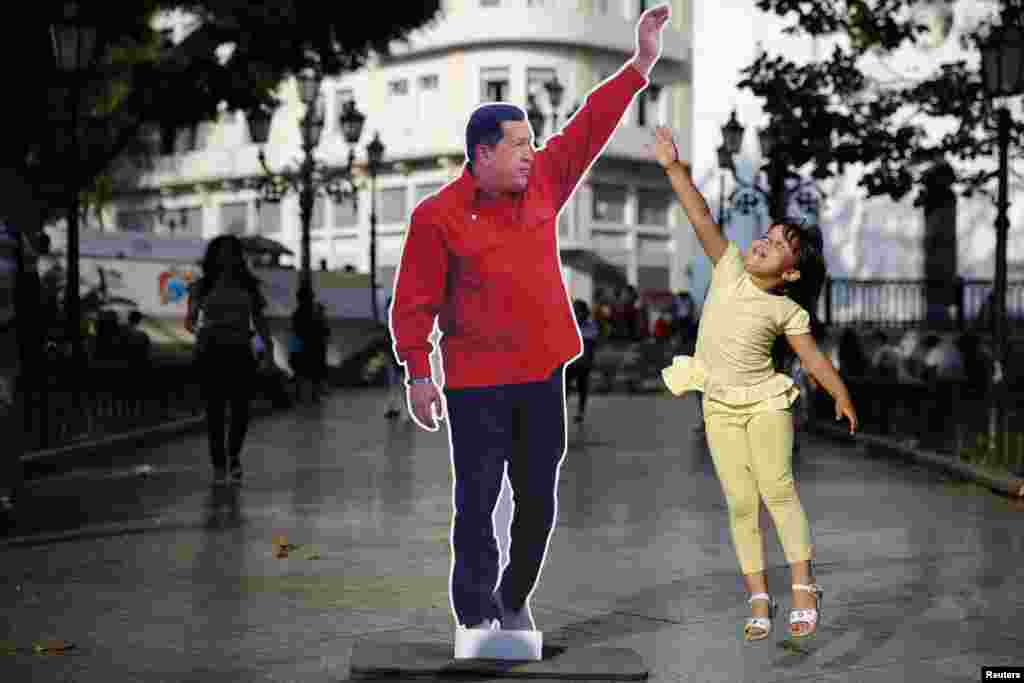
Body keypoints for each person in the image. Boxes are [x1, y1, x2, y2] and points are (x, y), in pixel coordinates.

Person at [389, 4, 671, 635]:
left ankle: (514, 595)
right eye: (518, 146)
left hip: (542, 372)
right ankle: (475, 614)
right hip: (475, 381)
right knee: (477, 499)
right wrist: (417, 372)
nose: (531, 153)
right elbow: (413, 302)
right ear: (482, 154)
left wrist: (640, 63)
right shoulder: (436, 218)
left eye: (532, 144)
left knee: (539, 501)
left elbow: (590, 125)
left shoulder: (543, 181)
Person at [651, 125, 858, 641]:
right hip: (718, 403)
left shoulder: (787, 309)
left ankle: (805, 587)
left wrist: (840, 393)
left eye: (780, 244)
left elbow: (811, 359)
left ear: (790, 274)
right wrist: (675, 168)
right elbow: (700, 213)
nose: (765, 241)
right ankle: (759, 597)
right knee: (741, 502)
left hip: (765, 403)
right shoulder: (727, 268)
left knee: (778, 490)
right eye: (767, 234)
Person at [186, 235, 274, 486]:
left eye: (231, 252)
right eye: (221, 252)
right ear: (213, 256)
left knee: (241, 411)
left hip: (240, 351)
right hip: (211, 351)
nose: (226, 257)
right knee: (214, 411)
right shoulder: (202, 286)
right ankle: (219, 465)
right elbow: (190, 321)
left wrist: (267, 352)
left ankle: (233, 456)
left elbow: (260, 322)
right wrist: (199, 323)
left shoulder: (248, 286)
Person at [566, 299, 600, 424]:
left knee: (582, 388)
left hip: (583, 364)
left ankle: (580, 412)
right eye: (575, 311)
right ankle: (561, 411)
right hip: (569, 364)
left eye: (579, 311)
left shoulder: (591, 326)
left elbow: (592, 341)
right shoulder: (567, 325)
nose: (577, 314)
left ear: (585, 313)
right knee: (565, 389)